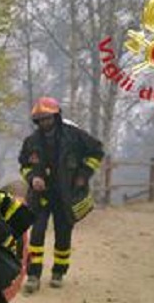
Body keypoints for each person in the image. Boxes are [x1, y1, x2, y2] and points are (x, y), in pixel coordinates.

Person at [18, 97, 104, 292]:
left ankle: (58, 272)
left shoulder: (74, 136)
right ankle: (33, 275)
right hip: (40, 196)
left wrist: (83, 174)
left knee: (63, 235)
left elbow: (97, 152)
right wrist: (32, 178)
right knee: (37, 234)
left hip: (66, 194)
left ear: (56, 116)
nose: (43, 123)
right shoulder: (31, 142)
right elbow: (23, 165)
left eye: (47, 118)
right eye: (39, 119)